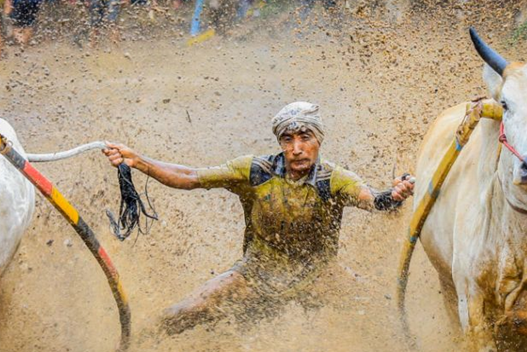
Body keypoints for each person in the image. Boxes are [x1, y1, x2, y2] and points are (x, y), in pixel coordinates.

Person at [102, 102, 415, 335]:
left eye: (305, 137)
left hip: (319, 275)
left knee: (386, 313)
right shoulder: (255, 171)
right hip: (254, 274)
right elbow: (190, 177)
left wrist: (396, 194)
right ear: (280, 143)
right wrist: (138, 161)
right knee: (178, 314)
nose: (297, 149)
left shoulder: (334, 179)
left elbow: (374, 200)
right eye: (288, 140)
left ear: (318, 140)